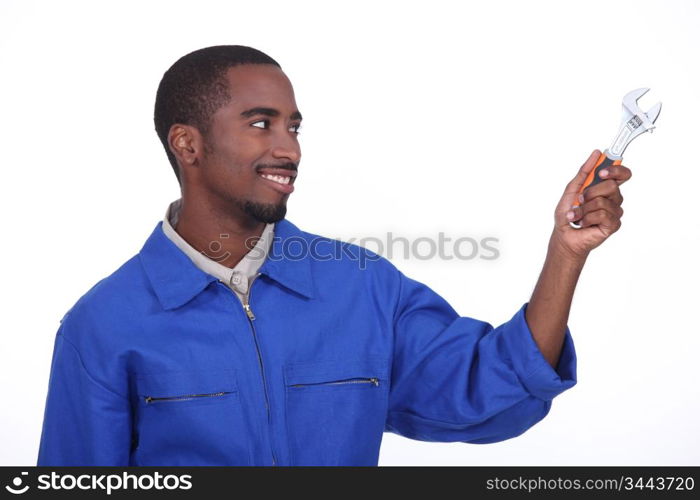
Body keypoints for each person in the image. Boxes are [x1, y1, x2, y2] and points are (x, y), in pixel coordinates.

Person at [36, 45, 629, 466]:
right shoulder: (104, 326)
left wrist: (565, 253)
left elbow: (488, 394)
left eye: (294, 127)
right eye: (261, 124)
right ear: (187, 144)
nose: (287, 148)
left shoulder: (364, 289)